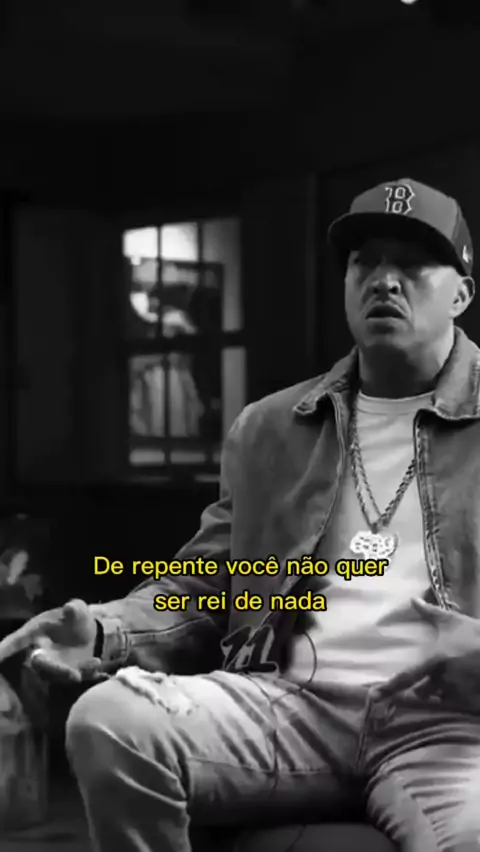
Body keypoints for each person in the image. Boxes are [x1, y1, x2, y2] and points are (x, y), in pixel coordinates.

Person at [1, 177, 480, 852]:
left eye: (412, 263)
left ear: (461, 294)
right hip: (291, 705)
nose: (384, 280)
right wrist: (108, 631)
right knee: (108, 720)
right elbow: (206, 586)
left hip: (447, 725)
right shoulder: (271, 428)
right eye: (364, 262)